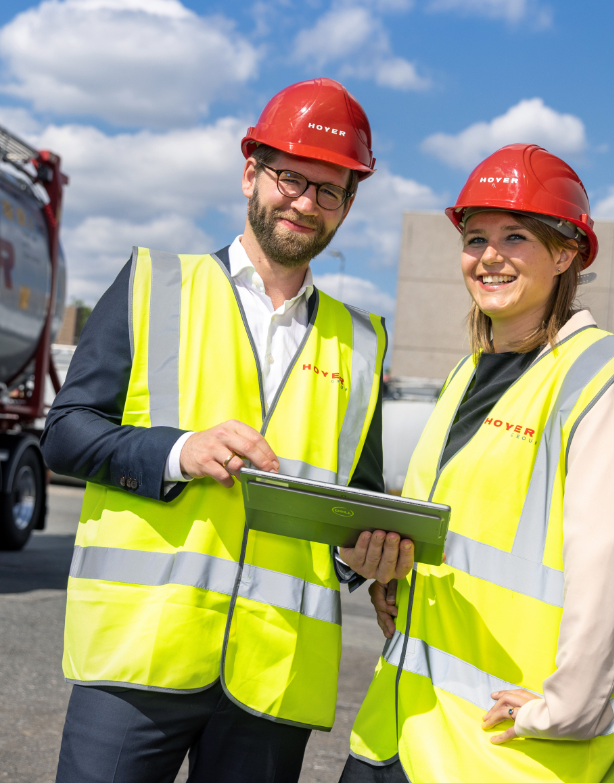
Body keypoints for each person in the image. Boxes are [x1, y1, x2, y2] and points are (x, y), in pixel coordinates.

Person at [42, 78, 390, 783]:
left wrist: (368, 556)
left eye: (329, 191)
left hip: (274, 674)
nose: (304, 203)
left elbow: (358, 495)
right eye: (291, 177)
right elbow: (67, 433)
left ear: (348, 207)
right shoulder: (153, 284)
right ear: (250, 174)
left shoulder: (363, 342)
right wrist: (179, 450)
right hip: (139, 657)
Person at [341, 144, 614, 783]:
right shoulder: (466, 372)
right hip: (402, 727)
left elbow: (605, 558)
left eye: (516, 237)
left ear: (566, 252)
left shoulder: (603, 374)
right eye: (475, 236)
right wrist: (394, 582)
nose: (488, 255)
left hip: (510, 747)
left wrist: (567, 706)